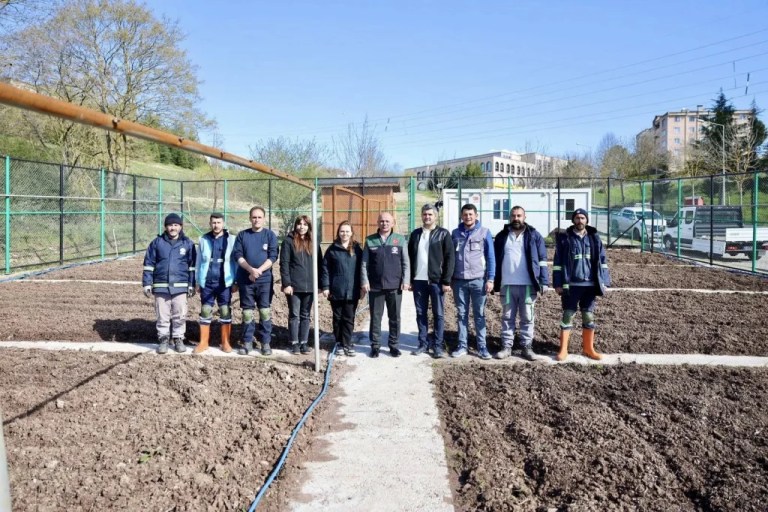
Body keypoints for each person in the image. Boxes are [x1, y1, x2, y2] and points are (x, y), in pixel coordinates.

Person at [552, 208, 611, 361]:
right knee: (568, 315)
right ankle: (563, 350)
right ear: (573, 220)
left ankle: (588, 349)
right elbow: (557, 263)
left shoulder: (594, 238)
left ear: (587, 220)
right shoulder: (565, 238)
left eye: (582, 218)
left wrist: (604, 281)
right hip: (571, 285)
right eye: (577, 218)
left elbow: (602, 261)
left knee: (588, 316)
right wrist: (557, 283)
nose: (580, 221)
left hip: (590, 285)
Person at [492, 206, 549, 361]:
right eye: (513, 215)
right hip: (507, 284)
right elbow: (494, 259)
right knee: (507, 317)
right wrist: (492, 279)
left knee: (527, 318)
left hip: (528, 285)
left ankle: (526, 347)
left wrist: (544, 281)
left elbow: (542, 260)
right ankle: (506, 347)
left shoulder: (534, 235)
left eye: (519, 215)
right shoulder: (502, 236)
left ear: (525, 217)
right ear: (510, 217)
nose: (516, 218)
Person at [142, 213, 196, 354]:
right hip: (161, 286)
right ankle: (163, 339)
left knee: (180, 314)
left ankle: (178, 338)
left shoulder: (188, 244)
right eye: (170, 225)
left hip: (180, 287)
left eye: (176, 225)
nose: (173, 228)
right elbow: (148, 264)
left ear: (180, 226)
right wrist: (147, 283)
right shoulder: (156, 243)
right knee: (162, 315)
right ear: (166, 227)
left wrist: (191, 284)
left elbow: (192, 267)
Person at [407, 203, 455, 358]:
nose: (427, 217)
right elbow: (409, 258)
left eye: (430, 214)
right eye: (424, 214)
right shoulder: (415, 234)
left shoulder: (443, 234)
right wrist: (410, 279)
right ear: (421, 216)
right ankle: (423, 343)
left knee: (438, 314)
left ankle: (438, 346)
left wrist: (446, 281)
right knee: (420, 313)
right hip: (419, 281)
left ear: (435, 216)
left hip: (436, 281)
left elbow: (450, 258)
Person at [361, 212, 410, 358]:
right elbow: (364, 264)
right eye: (382, 221)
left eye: (388, 221)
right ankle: (375, 346)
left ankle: (394, 345)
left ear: (393, 223)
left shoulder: (400, 240)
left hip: (395, 286)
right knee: (375, 318)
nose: (384, 223)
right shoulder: (370, 240)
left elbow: (406, 262)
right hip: (375, 286)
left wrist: (406, 281)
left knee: (394, 317)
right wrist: (365, 281)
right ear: (378, 223)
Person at [451, 203, 495, 359]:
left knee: (479, 314)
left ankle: (482, 347)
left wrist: (490, 279)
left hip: (479, 281)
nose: (468, 217)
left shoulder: (484, 232)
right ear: (461, 216)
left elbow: (491, 257)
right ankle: (462, 346)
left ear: (476, 215)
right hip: (459, 281)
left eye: (471, 214)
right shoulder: (455, 233)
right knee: (461, 314)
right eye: (465, 214)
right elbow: (451, 257)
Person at [233, 206, 279, 356]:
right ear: (250, 218)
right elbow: (238, 255)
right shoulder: (242, 235)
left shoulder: (270, 235)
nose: (256, 220)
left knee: (264, 311)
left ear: (264, 219)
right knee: (247, 312)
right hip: (246, 280)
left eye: (259, 217)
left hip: (264, 280)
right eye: (254, 217)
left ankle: (265, 342)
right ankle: (247, 342)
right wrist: (250, 270)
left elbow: (273, 256)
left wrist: (258, 270)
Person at [194, 212, 237, 354]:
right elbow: (198, 261)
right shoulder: (203, 239)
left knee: (225, 310)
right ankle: (203, 342)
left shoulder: (231, 239)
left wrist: (235, 281)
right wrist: (198, 281)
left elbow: (236, 261)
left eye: (218, 222)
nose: (216, 225)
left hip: (224, 281)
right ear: (210, 223)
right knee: (206, 309)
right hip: (207, 281)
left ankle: (225, 342)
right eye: (213, 222)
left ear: (223, 223)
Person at [280, 215, 322, 355]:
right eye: (299, 224)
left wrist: (319, 284)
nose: (302, 227)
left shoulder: (314, 242)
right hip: (294, 286)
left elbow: (320, 264)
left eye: (305, 224)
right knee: (294, 314)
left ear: (309, 226)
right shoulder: (288, 241)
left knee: (305, 315)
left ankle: (304, 342)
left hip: (310, 286)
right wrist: (287, 283)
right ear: (296, 225)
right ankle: (294, 343)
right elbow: (284, 263)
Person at [321, 221, 363, 357]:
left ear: (351, 233)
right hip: (336, 290)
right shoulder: (332, 249)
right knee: (338, 318)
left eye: (347, 231)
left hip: (352, 290)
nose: (344, 234)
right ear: (338, 233)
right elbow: (325, 269)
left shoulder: (357, 249)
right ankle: (339, 343)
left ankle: (347, 343)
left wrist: (362, 287)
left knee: (349, 318)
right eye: (342, 231)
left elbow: (362, 269)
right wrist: (326, 286)